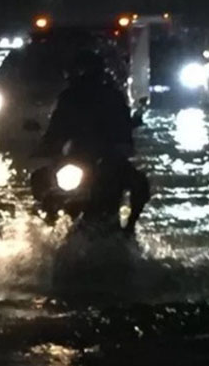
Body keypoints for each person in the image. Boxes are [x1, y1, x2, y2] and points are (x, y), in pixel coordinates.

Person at [37, 49, 149, 235]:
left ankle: (129, 227)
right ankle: (48, 227)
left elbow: (123, 125)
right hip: (76, 156)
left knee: (139, 184)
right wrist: (46, 146)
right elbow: (56, 127)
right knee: (40, 181)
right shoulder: (68, 97)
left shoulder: (112, 96)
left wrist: (125, 141)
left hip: (106, 157)